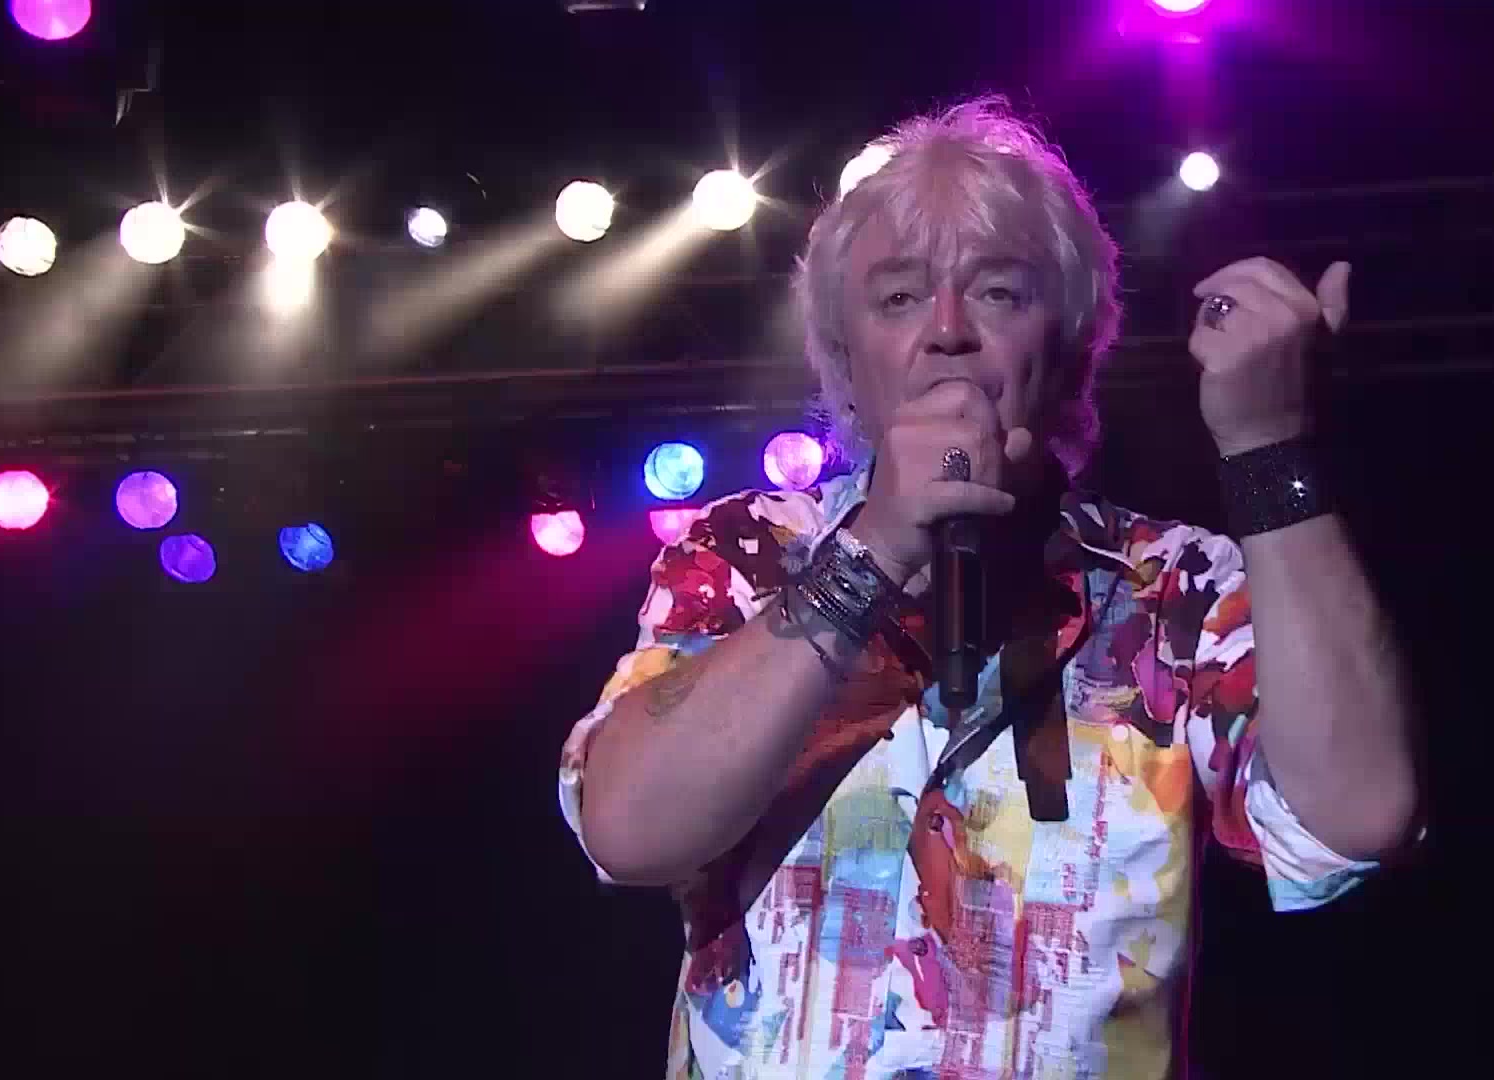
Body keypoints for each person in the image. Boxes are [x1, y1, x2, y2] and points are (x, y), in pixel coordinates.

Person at [558, 98, 1418, 1079]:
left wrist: (1270, 453)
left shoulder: (1169, 588)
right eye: (898, 298)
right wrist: (876, 548)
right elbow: (630, 831)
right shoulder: (751, 551)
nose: (949, 332)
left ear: (1074, 346)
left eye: (1000, 293)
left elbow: (1358, 817)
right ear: (844, 361)